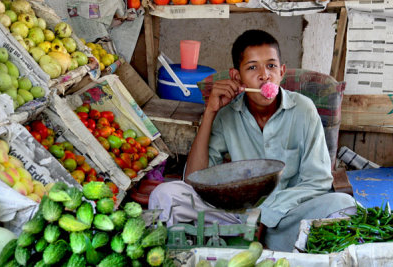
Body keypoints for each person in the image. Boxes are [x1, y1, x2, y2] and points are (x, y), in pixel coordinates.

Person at [149, 29, 356, 252]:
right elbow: (193, 180)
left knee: (345, 205)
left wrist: (266, 216)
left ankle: (258, 245)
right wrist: (210, 112)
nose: (264, 75)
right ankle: (256, 245)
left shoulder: (304, 110)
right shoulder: (227, 114)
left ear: (282, 72)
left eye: (271, 66)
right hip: (236, 217)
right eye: (252, 67)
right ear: (237, 77)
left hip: (287, 217)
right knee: (165, 195)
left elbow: (317, 181)